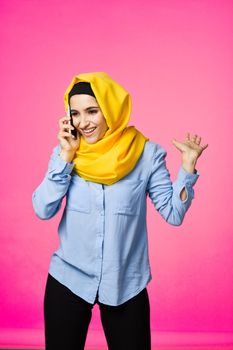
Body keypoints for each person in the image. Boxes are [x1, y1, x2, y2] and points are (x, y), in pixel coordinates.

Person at [32, 72, 208, 350]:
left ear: (111, 110)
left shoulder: (146, 154)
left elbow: (173, 214)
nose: (83, 122)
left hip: (126, 283)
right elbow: (42, 209)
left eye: (92, 111)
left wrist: (187, 168)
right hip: (69, 278)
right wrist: (65, 159)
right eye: (75, 113)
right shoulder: (67, 152)